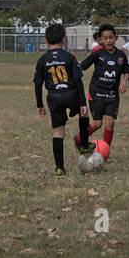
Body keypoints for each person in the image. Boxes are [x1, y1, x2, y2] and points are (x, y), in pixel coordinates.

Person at [33, 23, 89, 177]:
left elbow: (38, 84)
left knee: (58, 131)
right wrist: (83, 103)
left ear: (46, 40)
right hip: (71, 93)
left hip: (54, 97)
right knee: (84, 114)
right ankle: (83, 144)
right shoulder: (70, 57)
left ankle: (59, 167)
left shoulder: (42, 59)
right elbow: (78, 81)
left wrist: (40, 105)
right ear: (64, 39)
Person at [75, 24, 128, 157]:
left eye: (111, 37)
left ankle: (105, 152)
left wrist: (123, 81)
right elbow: (83, 66)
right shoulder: (97, 53)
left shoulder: (121, 55)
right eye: (105, 38)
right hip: (96, 93)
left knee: (110, 122)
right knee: (98, 124)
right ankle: (79, 139)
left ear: (116, 38)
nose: (109, 41)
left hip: (112, 95)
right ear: (100, 40)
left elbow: (127, 71)